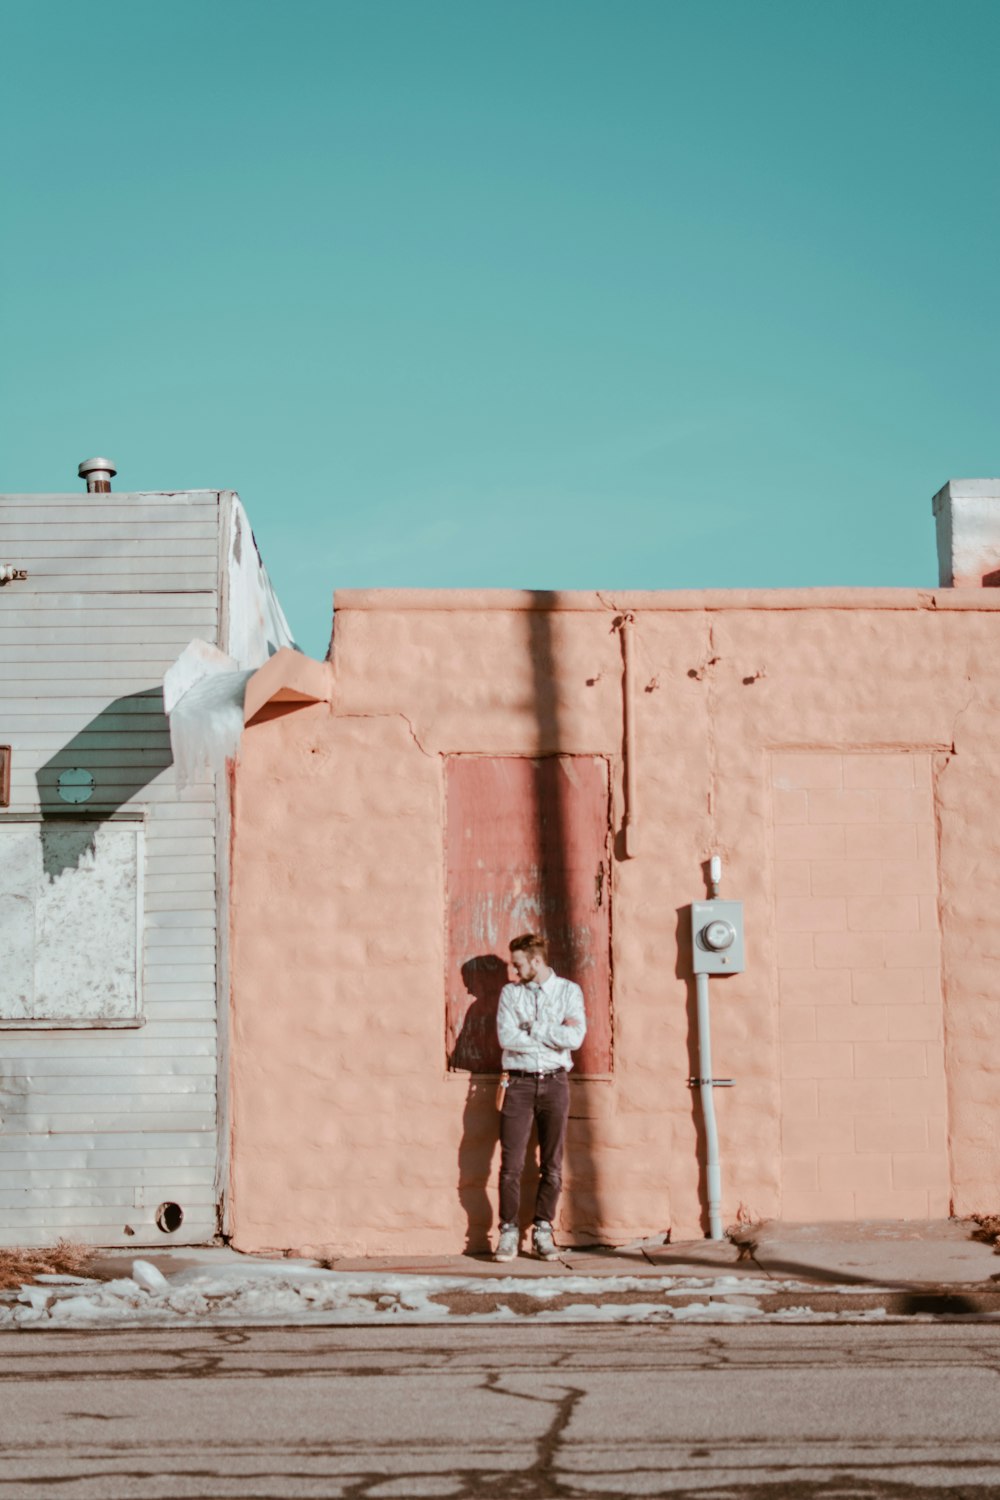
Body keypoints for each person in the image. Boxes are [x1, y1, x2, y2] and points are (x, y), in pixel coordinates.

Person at [494, 932, 587, 1261]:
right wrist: (552, 1035)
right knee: (511, 1165)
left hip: (555, 1082)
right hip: (517, 1085)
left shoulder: (568, 992)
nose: (514, 971)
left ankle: (543, 1229)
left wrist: (533, 1028)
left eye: (518, 964)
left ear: (536, 961)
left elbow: (574, 1037)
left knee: (552, 1164)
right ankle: (508, 1231)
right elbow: (507, 1037)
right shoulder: (510, 994)